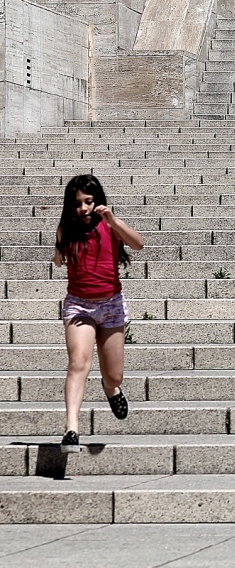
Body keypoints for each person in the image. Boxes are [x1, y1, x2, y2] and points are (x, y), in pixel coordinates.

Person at [52, 174, 144, 453]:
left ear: (98, 201)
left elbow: (138, 244)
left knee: (114, 375)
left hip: (111, 305)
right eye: (78, 203)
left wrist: (113, 220)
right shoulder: (65, 230)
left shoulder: (111, 226)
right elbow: (58, 258)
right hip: (79, 306)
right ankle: (71, 429)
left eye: (89, 201)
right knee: (78, 362)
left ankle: (110, 389)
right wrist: (59, 254)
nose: (84, 208)